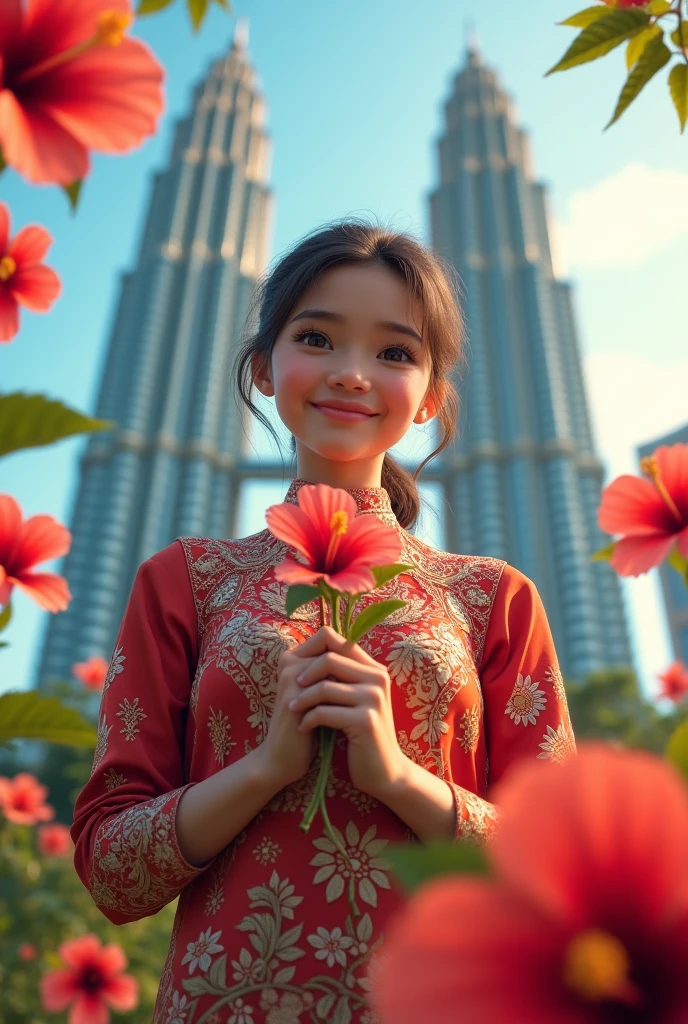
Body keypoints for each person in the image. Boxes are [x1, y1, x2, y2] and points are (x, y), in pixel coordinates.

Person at [71, 219, 576, 1024]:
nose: (351, 374)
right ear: (265, 368)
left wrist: (400, 779)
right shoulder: (186, 581)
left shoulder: (493, 598)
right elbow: (110, 872)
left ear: (430, 400)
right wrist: (266, 765)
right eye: (317, 337)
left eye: (395, 352)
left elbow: (562, 878)